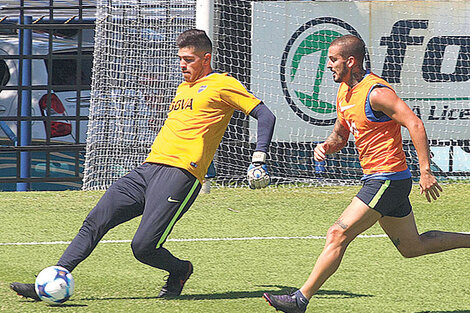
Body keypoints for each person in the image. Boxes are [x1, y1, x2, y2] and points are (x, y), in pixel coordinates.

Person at [11, 29, 276, 301]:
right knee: (96, 219)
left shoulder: (222, 83)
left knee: (143, 247)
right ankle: (53, 279)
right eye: (180, 59)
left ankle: (180, 269)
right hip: (148, 169)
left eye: (189, 59)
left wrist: (258, 159)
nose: (183, 65)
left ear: (205, 58)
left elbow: (265, 115)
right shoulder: (183, 88)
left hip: (181, 174)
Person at [263, 34, 470, 313]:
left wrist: (426, 172)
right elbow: (340, 136)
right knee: (412, 247)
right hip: (382, 180)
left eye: (333, 60)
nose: (328, 66)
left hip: (387, 178)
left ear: (350, 61)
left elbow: (415, 124)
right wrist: (325, 146)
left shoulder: (377, 92)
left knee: (337, 233)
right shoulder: (344, 93)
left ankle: (300, 299)